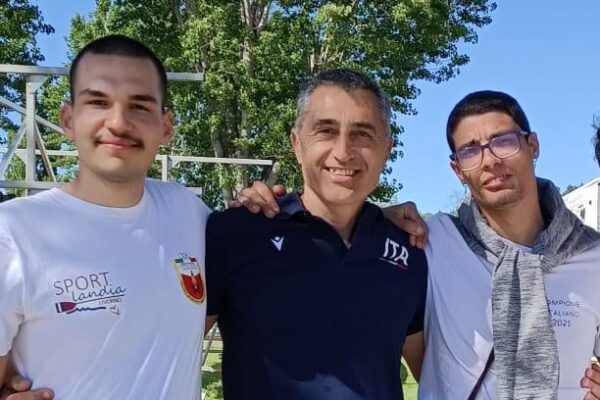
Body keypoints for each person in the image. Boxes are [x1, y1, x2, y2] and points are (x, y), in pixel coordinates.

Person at [239, 90, 600, 400]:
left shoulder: (593, 259)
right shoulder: (432, 241)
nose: (490, 160)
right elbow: (340, 226)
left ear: (532, 145)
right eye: (470, 151)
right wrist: (270, 209)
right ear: (457, 169)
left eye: (503, 141)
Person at [0, 35, 211, 399]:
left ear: (166, 126)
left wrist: (262, 202)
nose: (118, 122)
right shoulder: (13, 233)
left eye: (139, 106)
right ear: (68, 119)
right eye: (98, 102)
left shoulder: (191, 214)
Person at [204, 68, 427, 399]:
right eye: (326, 131)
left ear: (386, 149)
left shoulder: (409, 249)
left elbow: (440, 378)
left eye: (362, 134)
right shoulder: (235, 234)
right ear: (297, 144)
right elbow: (162, 358)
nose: (343, 152)